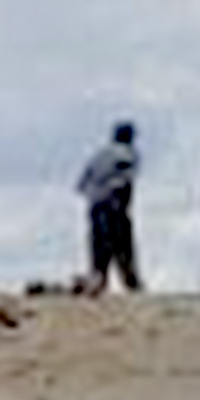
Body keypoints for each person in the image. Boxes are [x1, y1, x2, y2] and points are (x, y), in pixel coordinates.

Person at [75, 121, 146, 292]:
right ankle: (130, 281)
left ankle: (98, 279)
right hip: (114, 204)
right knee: (123, 244)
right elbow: (125, 180)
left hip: (95, 204)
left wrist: (94, 193)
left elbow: (81, 184)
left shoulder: (99, 155)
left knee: (99, 244)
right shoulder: (129, 154)